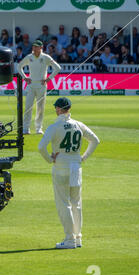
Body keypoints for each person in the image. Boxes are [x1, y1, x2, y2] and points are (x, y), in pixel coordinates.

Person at [38, 97, 99, 249]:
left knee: (64, 204)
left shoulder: (54, 126)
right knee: (76, 203)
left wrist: (49, 159)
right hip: (76, 166)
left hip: (61, 166)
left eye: (56, 108)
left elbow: (41, 147)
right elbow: (95, 140)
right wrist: (84, 157)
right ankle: (77, 238)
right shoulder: (78, 125)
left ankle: (70, 239)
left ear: (59, 109)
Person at [17, 40, 61, 135]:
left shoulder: (45, 57)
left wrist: (48, 79)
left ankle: (38, 128)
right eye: (33, 47)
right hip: (31, 85)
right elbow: (19, 66)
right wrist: (25, 77)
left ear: (41, 48)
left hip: (41, 86)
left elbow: (58, 68)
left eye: (36, 47)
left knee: (40, 108)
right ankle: (25, 128)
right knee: (28, 107)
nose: (34, 48)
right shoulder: (29, 57)